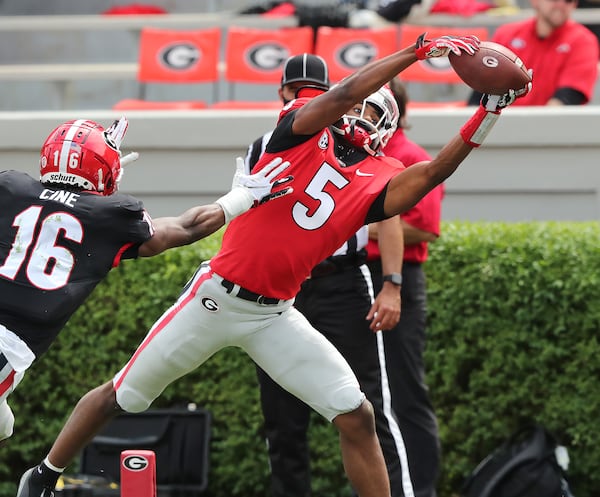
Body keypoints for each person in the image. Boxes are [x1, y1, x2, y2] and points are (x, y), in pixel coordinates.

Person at [18, 32, 530, 497]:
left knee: (356, 415)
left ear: (386, 128)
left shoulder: (379, 175)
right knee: (122, 394)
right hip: (216, 297)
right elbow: (343, 94)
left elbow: (435, 171)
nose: (358, 118)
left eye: (374, 115)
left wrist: (488, 112)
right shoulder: (300, 131)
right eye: (357, 109)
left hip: (274, 315)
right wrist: (414, 52)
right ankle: (41, 475)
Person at [0, 116, 292, 444]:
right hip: (7, 348)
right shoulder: (108, 216)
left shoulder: (11, 187)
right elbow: (185, 228)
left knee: (4, 426)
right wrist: (241, 198)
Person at [245, 53, 407, 497]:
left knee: (368, 404)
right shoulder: (267, 144)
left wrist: (392, 282)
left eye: (314, 92)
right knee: (282, 416)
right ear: (282, 94)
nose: (305, 99)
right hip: (281, 287)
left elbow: (388, 212)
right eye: (297, 91)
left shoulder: (355, 141)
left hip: (341, 281)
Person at [367, 77, 445, 497]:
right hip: (359, 281)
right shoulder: (360, 152)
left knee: (405, 392)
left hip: (397, 281)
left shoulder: (410, 157)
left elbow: (425, 229)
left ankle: (423, 488)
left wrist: (358, 229)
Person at [467, 0, 599, 106]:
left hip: (551, 132)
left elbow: (567, 99)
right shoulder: (506, 33)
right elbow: (481, 92)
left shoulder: (584, 41)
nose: (561, 4)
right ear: (535, 1)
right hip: (498, 124)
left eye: (568, 0)